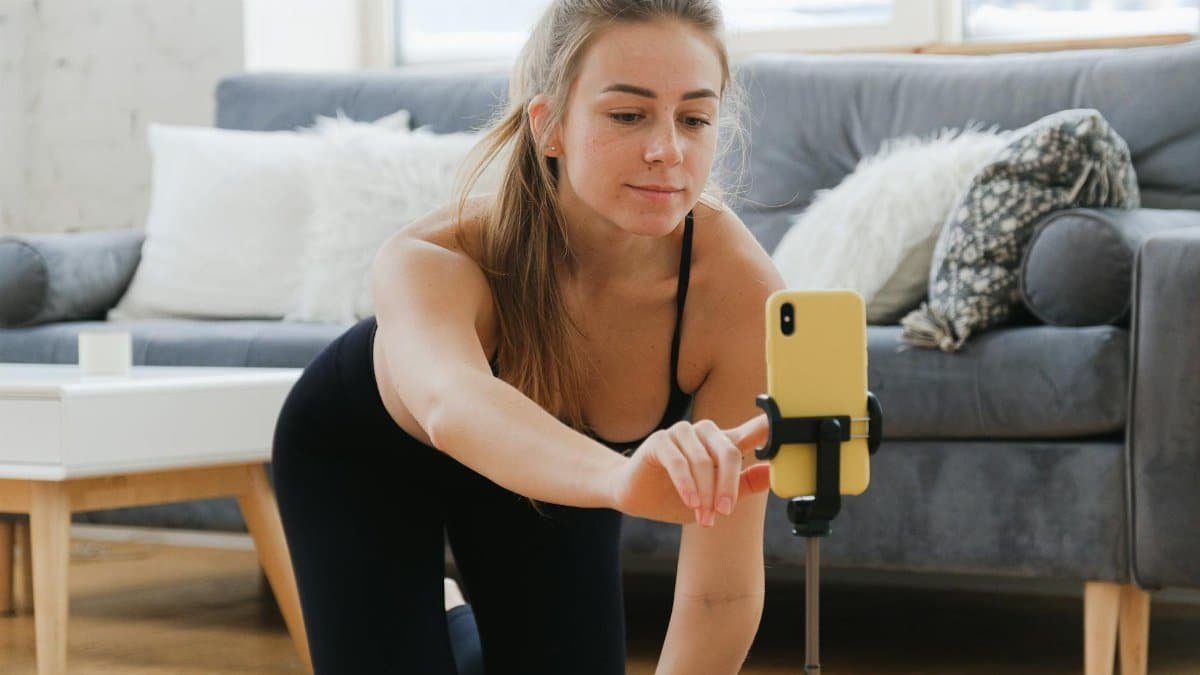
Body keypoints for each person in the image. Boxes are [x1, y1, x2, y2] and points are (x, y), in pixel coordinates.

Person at [271, 0, 786, 672]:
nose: (667, 150)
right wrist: (621, 476)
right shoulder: (431, 258)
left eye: (694, 118)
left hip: (552, 475)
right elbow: (453, 404)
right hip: (366, 463)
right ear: (550, 126)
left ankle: (455, 631)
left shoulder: (740, 293)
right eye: (627, 114)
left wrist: (613, 479)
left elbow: (722, 592)